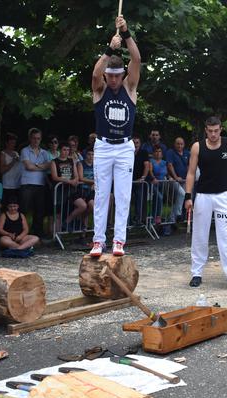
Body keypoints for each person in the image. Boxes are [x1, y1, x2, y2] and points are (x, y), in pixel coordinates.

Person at [90, 14, 141, 257]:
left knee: (122, 195)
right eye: (109, 75)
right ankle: (98, 241)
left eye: (116, 75)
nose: (112, 79)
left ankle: (119, 240)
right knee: (101, 195)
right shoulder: (100, 89)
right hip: (103, 146)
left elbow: (137, 59)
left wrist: (127, 33)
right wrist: (108, 49)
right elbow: (95, 74)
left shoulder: (130, 89)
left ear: (122, 75)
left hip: (123, 147)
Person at [184, 117, 227, 290]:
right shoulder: (198, 147)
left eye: (216, 130)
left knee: (226, 236)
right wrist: (188, 196)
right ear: (206, 130)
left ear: (221, 129)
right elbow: (190, 173)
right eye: (210, 131)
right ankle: (196, 273)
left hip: (223, 196)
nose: (213, 134)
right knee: (199, 235)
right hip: (203, 195)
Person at [20, 128, 52, 238]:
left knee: (39, 210)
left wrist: (35, 165)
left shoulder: (45, 153)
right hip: (27, 183)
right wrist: (41, 166)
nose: (36, 140)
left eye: (38, 138)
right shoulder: (24, 150)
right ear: (30, 139)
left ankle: (37, 231)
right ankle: (21, 230)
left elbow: (49, 165)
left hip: (41, 184)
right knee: (24, 209)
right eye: (34, 138)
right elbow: (28, 167)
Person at [50, 142, 87, 233]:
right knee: (58, 214)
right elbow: (54, 177)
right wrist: (69, 181)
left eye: (68, 150)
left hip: (71, 190)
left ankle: (67, 222)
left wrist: (75, 180)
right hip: (59, 190)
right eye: (64, 150)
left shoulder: (71, 161)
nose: (66, 152)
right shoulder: (54, 162)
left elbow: (76, 175)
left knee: (82, 205)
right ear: (60, 150)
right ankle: (57, 235)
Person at [166, 137, 190, 222]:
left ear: (184, 145)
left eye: (181, 144)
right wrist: (175, 177)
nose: (180, 146)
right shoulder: (170, 152)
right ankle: (178, 214)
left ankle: (171, 220)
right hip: (173, 179)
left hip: (184, 180)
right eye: (178, 144)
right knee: (182, 194)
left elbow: (189, 165)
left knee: (179, 198)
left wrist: (189, 176)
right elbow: (170, 165)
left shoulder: (187, 153)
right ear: (174, 144)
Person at [131, 137, 151, 225]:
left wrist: (143, 177)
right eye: (134, 142)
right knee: (126, 201)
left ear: (140, 144)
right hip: (128, 181)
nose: (135, 144)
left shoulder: (143, 152)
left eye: (137, 142)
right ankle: (127, 222)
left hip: (140, 181)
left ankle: (139, 219)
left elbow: (147, 165)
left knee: (140, 199)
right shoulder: (127, 152)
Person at [0, 133, 22, 205]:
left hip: (17, 185)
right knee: (7, 205)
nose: (13, 145)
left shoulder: (16, 153)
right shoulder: (3, 154)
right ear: (6, 143)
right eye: (11, 143)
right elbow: (2, 170)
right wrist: (13, 161)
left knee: (16, 205)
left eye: (14, 143)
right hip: (7, 185)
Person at [148, 145, 169, 225]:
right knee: (159, 197)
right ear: (153, 153)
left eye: (159, 151)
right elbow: (150, 171)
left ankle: (154, 217)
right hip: (153, 183)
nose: (158, 153)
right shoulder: (151, 161)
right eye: (156, 151)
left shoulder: (164, 162)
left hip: (162, 183)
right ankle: (158, 216)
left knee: (157, 199)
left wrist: (169, 177)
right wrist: (153, 178)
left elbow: (167, 173)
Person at [78, 148, 96, 229]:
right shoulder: (81, 163)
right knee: (87, 206)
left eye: (92, 154)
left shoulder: (96, 164)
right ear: (85, 155)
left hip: (92, 190)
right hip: (82, 189)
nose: (91, 156)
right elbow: (81, 178)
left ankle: (83, 221)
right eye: (89, 154)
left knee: (92, 206)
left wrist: (95, 183)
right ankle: (83, 229)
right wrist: (93, 181)